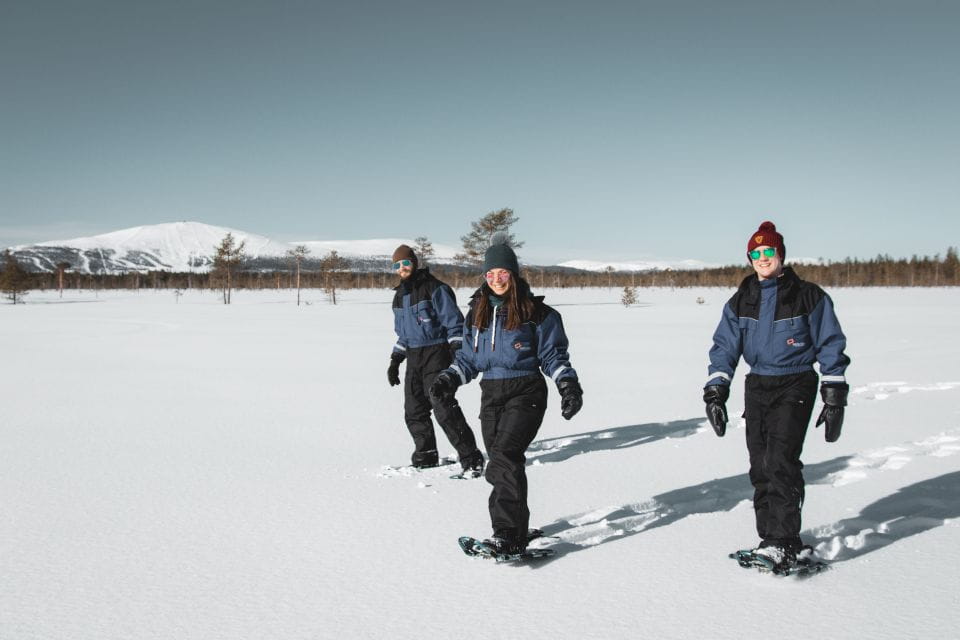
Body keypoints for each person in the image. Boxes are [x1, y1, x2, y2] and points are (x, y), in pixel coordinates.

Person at [703, 221, 850, 567]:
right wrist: (716, 389)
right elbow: (725, 346)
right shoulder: (741, 299)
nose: (762, 257)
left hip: (795, 381)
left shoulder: (808, 295)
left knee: (781, 461)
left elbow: (830, 342)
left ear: (781, 254)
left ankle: (785, 540)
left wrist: (834, 393)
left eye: (769, 251)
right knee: (760, 465)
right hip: (757, 385)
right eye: (756, 253)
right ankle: (769, 538)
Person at [429, 235, 583, 555]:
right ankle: (516, 526)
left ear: (513, 274)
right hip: (491, 393)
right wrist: (448, 378)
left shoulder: (537, 313)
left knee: (504, 456)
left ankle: (508, 533)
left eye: (502, 273)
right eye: (490, 274)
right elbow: (470, 360)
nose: (496, 279)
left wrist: (567, 386)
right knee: (502, 463)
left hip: (526, 390)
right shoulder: (477, 313)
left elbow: (553, 357)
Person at [387, 244, 484, 475]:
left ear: (415, 263)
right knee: (414, 410)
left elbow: (454, 324)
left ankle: (471, 459)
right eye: (397, 265)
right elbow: (403, 334)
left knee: (443, 407)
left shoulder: (436, 289)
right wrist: (395, 359)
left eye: (406, 263)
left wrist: (458, 353)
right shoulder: (399, 297)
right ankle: (426, 456)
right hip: (413, 358)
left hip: (437, 353)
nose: (402, 268)